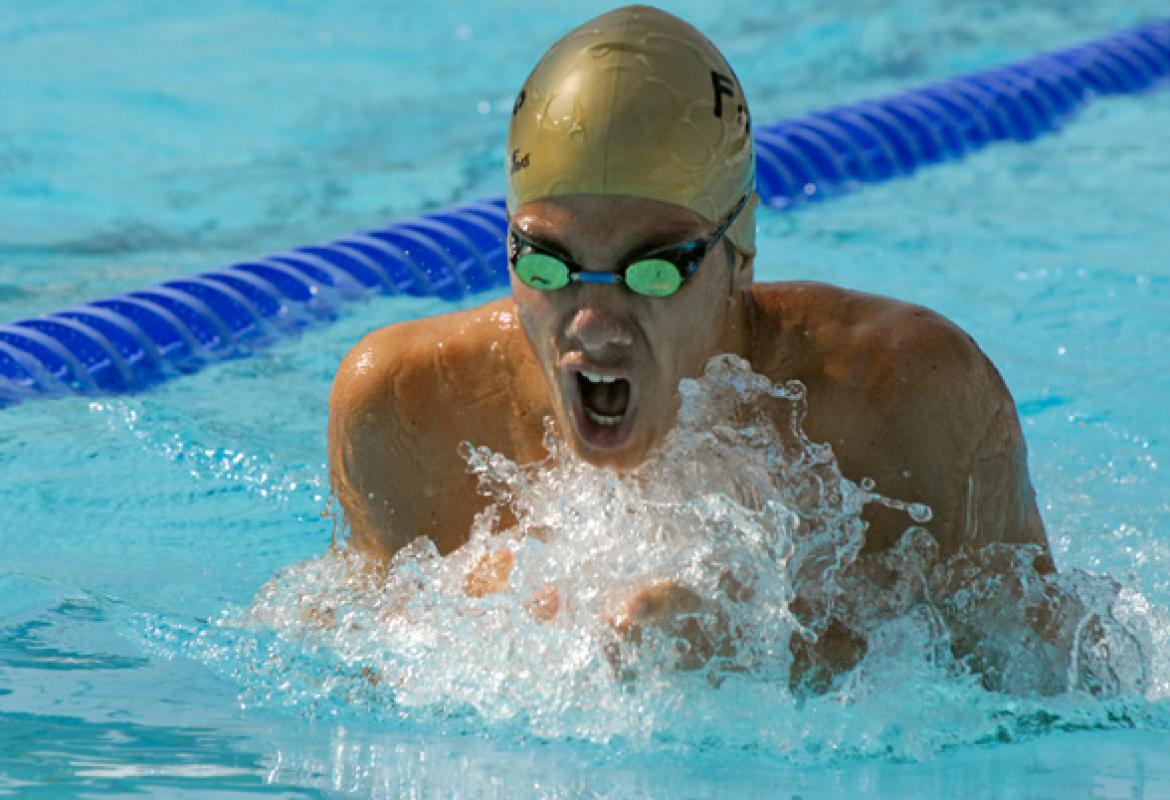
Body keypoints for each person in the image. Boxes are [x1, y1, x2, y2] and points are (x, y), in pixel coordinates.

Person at [327, 5, 1053, 671]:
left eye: (653, 269)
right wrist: (497, 610)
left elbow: (1052, 681)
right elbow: (344, 661)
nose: (593, 320)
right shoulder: (407, 409)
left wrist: (763, 652)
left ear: (739, 256)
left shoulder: (908, 398)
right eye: (549, 262)